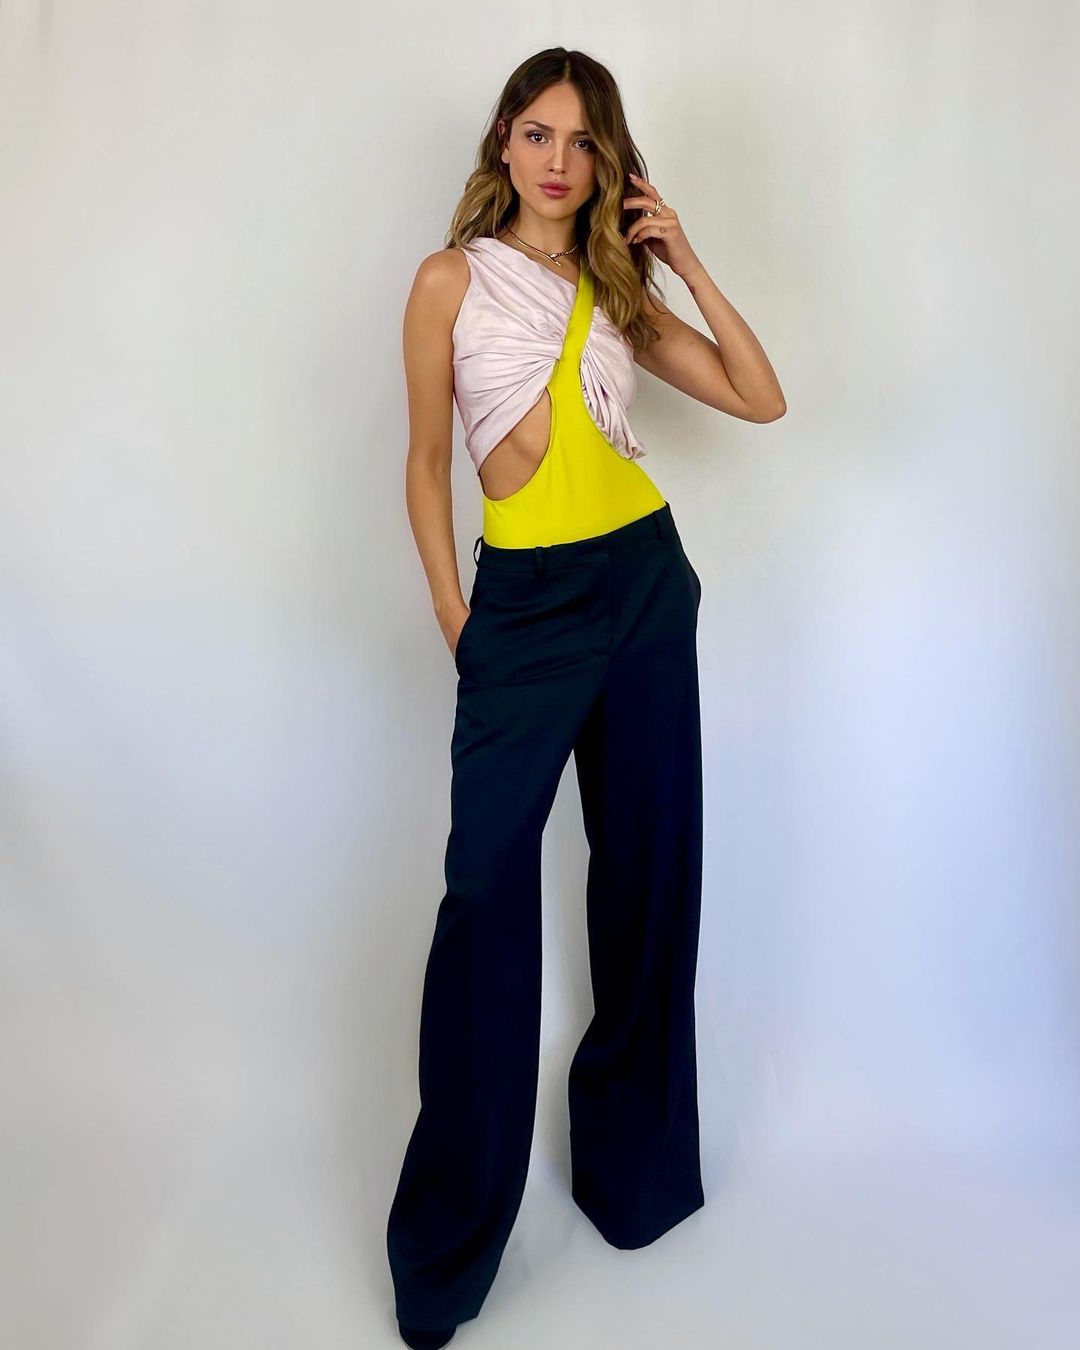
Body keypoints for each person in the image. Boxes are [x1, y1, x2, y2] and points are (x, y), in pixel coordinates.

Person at [387, 46, 785, 1350]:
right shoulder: (448, 280)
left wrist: (682, 257)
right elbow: (427, 459)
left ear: (609, 162)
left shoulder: (616, 289)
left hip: (642, 588)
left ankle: (635, 1178)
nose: (559, 161)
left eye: (584, 141)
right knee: (484, 895)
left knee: (650, 875)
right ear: (504, 142)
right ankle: (448, 1251)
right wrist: (456, 611)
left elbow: (759, 396)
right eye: (539, 134)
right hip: (521, 606)